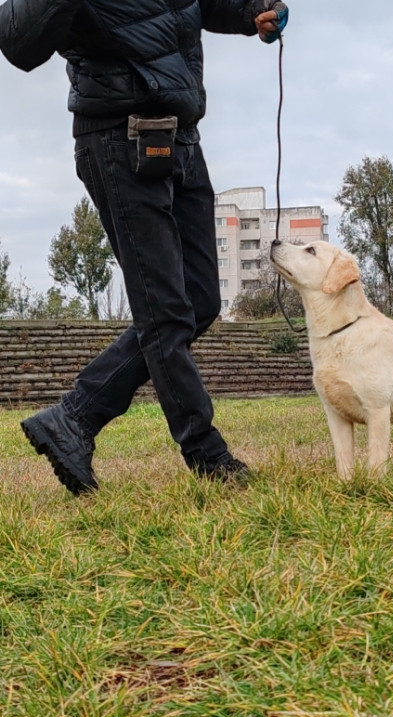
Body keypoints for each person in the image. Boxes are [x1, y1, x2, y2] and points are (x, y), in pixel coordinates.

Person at [0, 0, 289, 495]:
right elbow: (19, 41)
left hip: (180, 137)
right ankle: (207, 453)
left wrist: (250, 12)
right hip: (116, 139)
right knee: (166, 312)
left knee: (199, 302)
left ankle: (73, 417)